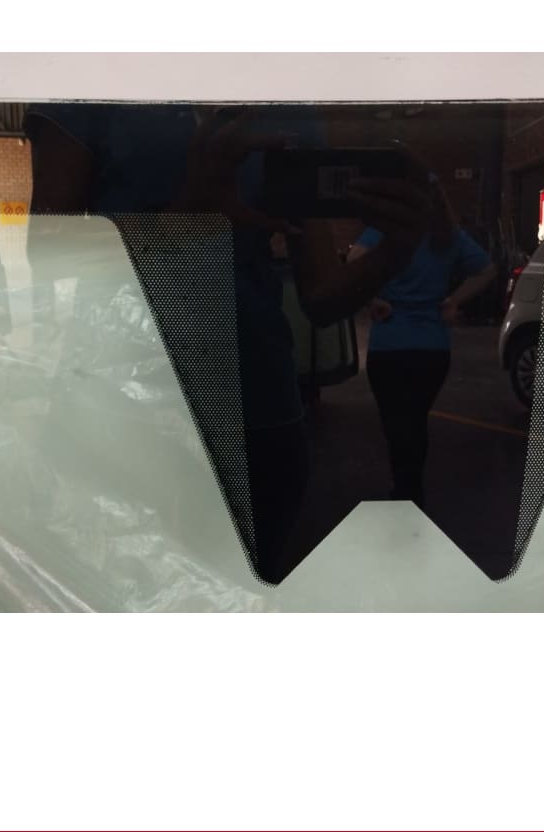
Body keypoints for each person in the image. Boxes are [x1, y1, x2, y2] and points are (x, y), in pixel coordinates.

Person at [25, 103, 430, 582]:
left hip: (257, 407)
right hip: (125, 400)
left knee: (238, 594)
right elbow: (47, 251)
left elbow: (321, 295)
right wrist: (188, 214)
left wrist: (398, 248)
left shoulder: (286, 105)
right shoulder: (93, 84)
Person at [348, 179, 496, 504]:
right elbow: (486, 270)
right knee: (415, 420)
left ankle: (405, 492)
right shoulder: (447, 235)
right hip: (432, 346)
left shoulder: (386, 230)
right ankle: (412, 490)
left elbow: (353, 260)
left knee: (395, 424)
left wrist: (372, 299)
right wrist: (453, 301)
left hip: (389, 344)